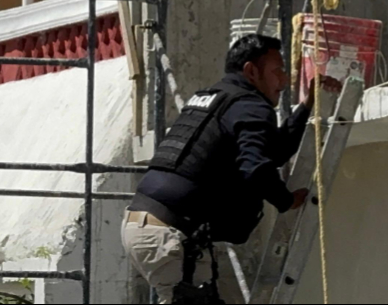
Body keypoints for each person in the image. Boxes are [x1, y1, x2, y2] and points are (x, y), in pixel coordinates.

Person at [122, 34, 311, 303]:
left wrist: (306, 106)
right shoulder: (250, 104)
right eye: (277, 70)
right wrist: (286, 200)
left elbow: (269, 152)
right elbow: (257, 168)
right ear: (251, 71)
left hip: (148, 226)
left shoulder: (215, 98)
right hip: (170, 236)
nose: (284, 80)